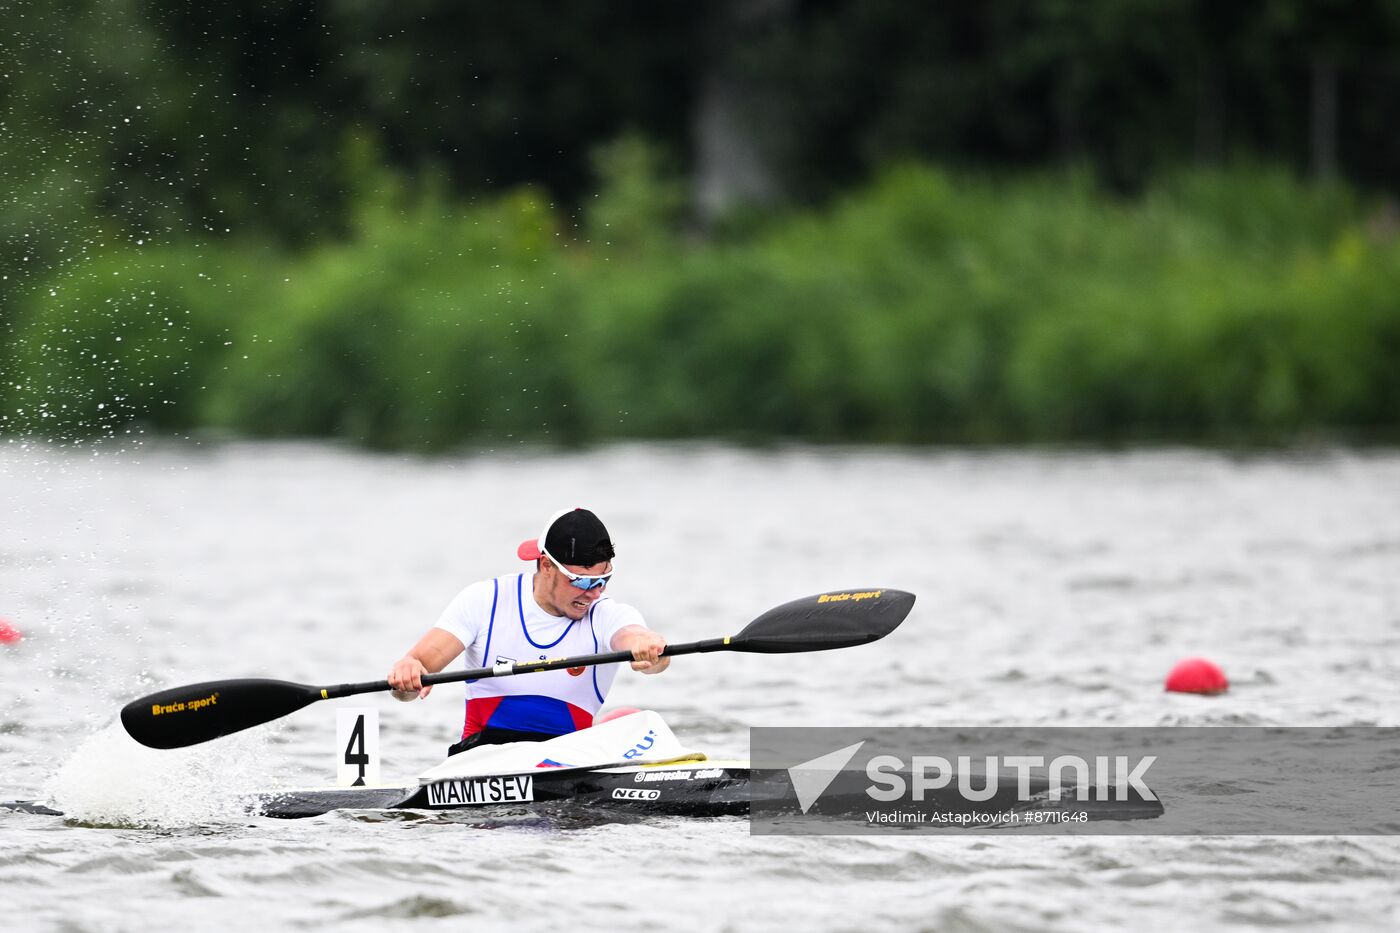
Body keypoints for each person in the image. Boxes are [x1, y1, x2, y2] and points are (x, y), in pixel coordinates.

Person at [387, 507, 668, 755]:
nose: (594, 593)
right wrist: (408, 674)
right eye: (582, 582)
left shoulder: (605, 614)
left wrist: (651, 649)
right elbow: (415, 674)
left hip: (568, 767)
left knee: (631, 720)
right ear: (546, 565)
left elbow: (637, 641)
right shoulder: (485, 601)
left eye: (604, 580)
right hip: (481, 761)